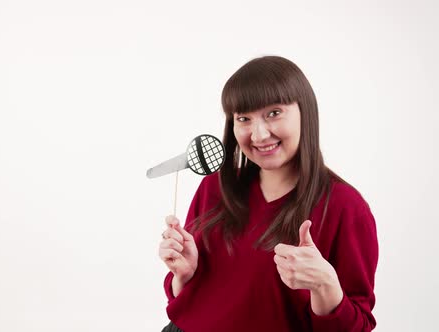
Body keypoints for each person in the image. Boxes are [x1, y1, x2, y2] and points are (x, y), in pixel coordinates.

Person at [158, 56, 378, 332]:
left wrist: (325, 285)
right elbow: (186, 302)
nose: (259, 135)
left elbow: (356, 326)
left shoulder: (346, 207)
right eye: (244, 118)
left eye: (274, 113)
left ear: (305, 113)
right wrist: (184, 274)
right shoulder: (215, 186)